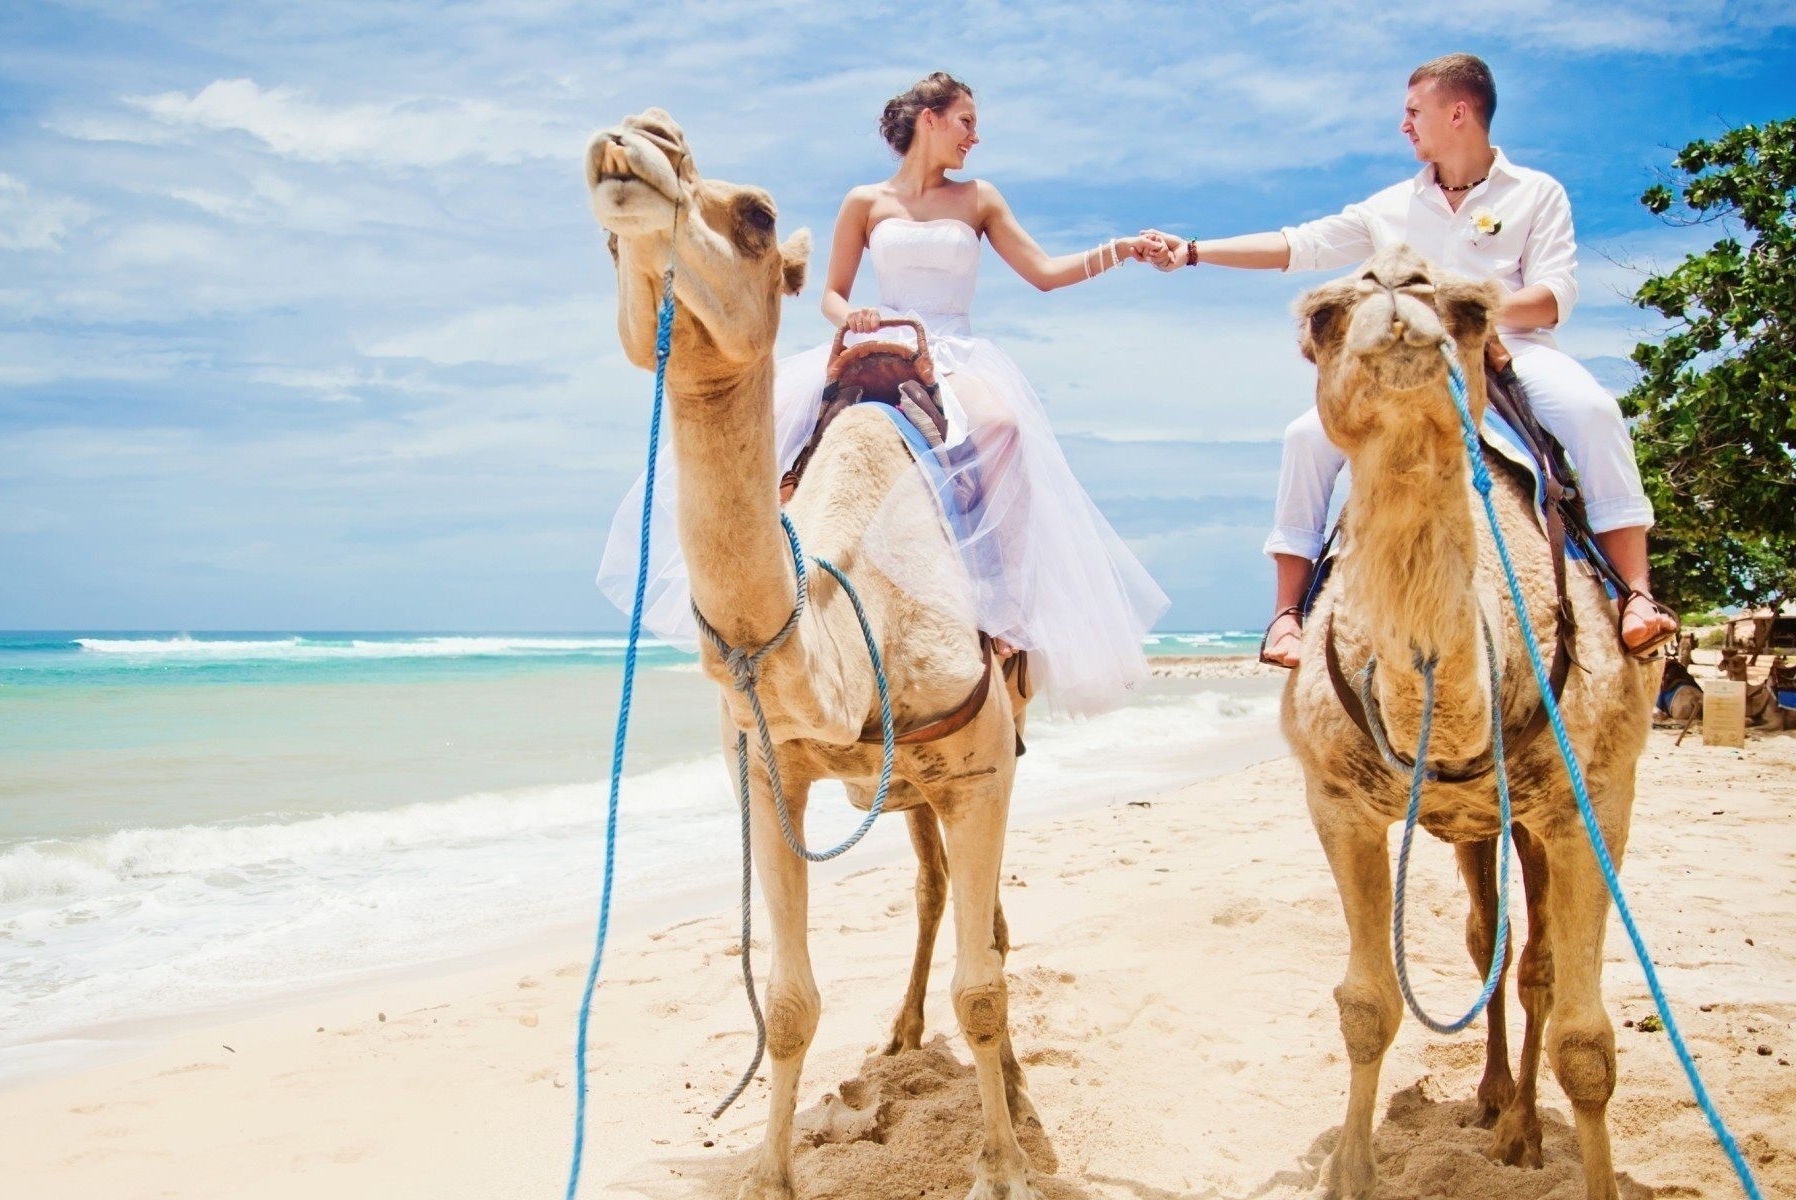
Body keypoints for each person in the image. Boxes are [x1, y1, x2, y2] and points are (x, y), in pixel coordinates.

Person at [599, 72, 1171, 717]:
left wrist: (1118, 250)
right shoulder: (864, 202)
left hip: (953, 347)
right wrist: (855, 315)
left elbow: (1043, 274)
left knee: (1003, 428)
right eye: (966, 122)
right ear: (929, 119)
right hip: (881, 339)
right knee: (788, 439)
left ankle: (1001, 607)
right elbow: (831, 293)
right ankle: (784, 601)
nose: (974, 137)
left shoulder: (978, 198)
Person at [1142, 53, 1675, 667]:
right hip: (1409, 366)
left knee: (1595, 410)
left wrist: (1465, 314)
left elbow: (1552, 299)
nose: (1404, 126)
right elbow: (1300, 244)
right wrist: (1192, 251)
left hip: (1510, 353)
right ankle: (1287, 615)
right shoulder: (1390, 206)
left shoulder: (1536, 193)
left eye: (1413, 111)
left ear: (1458, 112)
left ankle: (1636, 595)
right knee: (1303, 437)